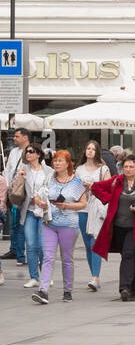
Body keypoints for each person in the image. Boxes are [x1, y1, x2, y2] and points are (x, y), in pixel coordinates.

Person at [90, 155, 135, 301]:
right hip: (117, 227)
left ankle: (125, 287)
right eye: (126, 167)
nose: (128, 170)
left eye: (131, 167)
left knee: (128, 253)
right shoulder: (117, 180)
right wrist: (108, 199)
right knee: (127, 256)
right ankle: (133, 289)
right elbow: (96, 187)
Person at [33, 149, 87, 304]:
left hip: (69, 225)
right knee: (48, 257)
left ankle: (67, 291)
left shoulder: (76, 181)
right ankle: (43, 291)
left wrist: (67, 206)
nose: (56, 163)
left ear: (68, 164)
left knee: (67, 259)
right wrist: (40, 202)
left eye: (60, 160)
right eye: (55, 160)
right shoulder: (49, 178)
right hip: (49, 223)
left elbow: (83, 203)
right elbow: (37, 195)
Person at [12, 144, 53, 288]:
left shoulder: (49, 171)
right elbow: (14, 190)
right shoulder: (23, 170)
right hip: (29, 211)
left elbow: (53, 189)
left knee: (43, 246)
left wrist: (44, 201)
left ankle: (46, 275)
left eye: (31, 151)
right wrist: (20, 178)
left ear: (38, 154)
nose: (28, 154)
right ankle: (34, 277)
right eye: (26, 152)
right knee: (30, 245)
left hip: (43, 212)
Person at [75, 141, 113, 293]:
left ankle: (95, 278)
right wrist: (82, 188)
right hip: (83, 208)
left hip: (97, 208)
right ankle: (93, 276)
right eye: (88, 148)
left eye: (93, 149)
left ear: (97, 152)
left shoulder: (103, 169)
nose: (90, 151)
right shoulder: (79, 169)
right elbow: (74, 190)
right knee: (87, 244)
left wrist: (94, 187)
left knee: (94, 242)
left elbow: (108, 189)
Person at [4, 127, 34, 263]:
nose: (14, 139)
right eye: (14, 136)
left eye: (17, 136)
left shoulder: (32, 150)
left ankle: (22, 251)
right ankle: (14, 249)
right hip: (14, 191)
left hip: (27, 192)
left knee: (23, 222)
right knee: (14, 222)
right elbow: (9, 170)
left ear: (25, 137)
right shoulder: (13, 152)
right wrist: (8, 187)